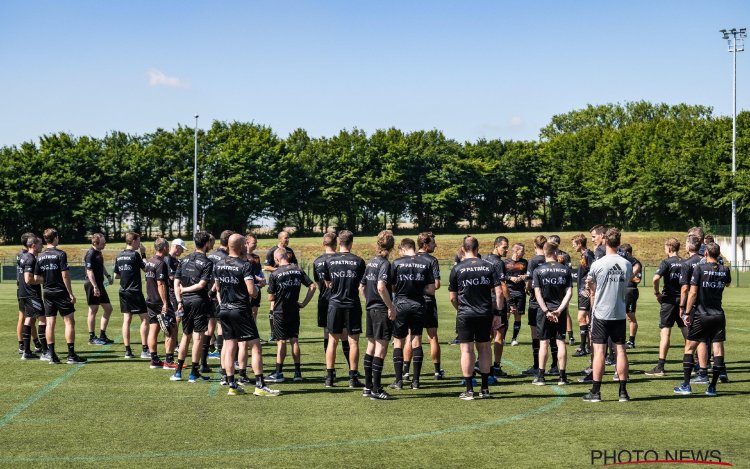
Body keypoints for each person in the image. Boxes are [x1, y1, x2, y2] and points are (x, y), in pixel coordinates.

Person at [214, 233, 279, 396]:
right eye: (244, 244)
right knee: (256, 346)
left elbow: (218, 288)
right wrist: (259, 286)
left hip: (225, 309)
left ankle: (232, 386)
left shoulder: (218, 264)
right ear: (241, 246)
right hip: (240, 309)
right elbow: (252, 292)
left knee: (229, 346)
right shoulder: (245, 265)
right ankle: (260, 385)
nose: (246, 246)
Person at [449, 236, 503, 400]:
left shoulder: (457, 268)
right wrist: (498, 313)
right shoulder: (489, 266)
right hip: (484, 313)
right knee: (485, 348)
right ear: (477, 248)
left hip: (465, 313)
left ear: (463, 249)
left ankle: (469, 390)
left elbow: (452, 297)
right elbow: (499, 292)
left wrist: (461, 309)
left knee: (466, 350)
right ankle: (485, 389)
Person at [583, 228, 632, 402]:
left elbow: (593, 288)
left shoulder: (598, 264)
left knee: (599, 351)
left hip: (601, 312)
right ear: (619, 242)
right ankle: (623, 392)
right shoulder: (627, 264)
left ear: (605, 242)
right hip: (619, 312)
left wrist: (592, 287)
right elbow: (624, 285)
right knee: (620, 350)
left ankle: (596, 392)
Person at [674, 243, 730, 397]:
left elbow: (692, 293)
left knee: (690, 348)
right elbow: (728, 282)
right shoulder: (725, 269)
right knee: (717, 350)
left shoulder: (699, 268)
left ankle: (686, 385)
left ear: (705, 253)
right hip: (718, 314)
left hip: (702, 314)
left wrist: (686, 312)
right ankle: (712, 387)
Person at [388, 238, 435, 390]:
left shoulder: (396, 263)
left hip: (401, 304)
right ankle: (416, 381)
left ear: (403, 248)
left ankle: (398, 381)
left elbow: (392, 287)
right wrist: (418, 288)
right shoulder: (425, 263)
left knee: (398, 342)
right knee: (416, 341)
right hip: (419, 304)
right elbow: (431, 290)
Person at [322, 230, 366, 388]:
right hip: (352, 304)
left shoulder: (329, 260)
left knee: (332, 341)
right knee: (353, 342)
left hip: (334, 303)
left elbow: (327, 283)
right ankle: (353, 378)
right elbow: (361, 284)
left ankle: (329, 377)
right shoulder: (359, 261)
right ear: (351, 243)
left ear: (338, 242)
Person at [266, 248, 316, 383]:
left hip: (280, 311)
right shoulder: (298, 270)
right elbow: (312, 286)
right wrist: (304, 303)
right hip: (294, 310)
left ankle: (279, 372)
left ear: (277, 259)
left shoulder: (275, 273)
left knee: (281, 341)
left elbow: (270, 297)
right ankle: (298, 373)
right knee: (294, 339)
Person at [35, 228, 85, 365]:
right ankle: (71, 355)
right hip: (61, 292)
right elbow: (65, 275)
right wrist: (70, 293)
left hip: (47, 292)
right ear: (55, 238)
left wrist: (47, 280)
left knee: (50, 323)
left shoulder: (40, 256)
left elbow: (36, 277)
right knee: (69, 322)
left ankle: (52, 356)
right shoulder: (61, 254)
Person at [171, 231, 214, 382]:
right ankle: (193, 372)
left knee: (185, 335)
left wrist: (180, 300)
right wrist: (185, 290)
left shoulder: (183, 260)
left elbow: (176, 282)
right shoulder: (207, 262)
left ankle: (177, 371)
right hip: (199, 301)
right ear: (207, 243)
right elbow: (202, 285)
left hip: (186, 302)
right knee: (198, 337)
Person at [359, 230, 396, 400]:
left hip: (370, 309)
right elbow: (381, 287)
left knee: (371, 347)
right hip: (381, 310)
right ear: (391, 246)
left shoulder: (371, 262)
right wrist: (390, 307)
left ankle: (367, 387)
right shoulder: (385, 263)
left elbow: (362, 287)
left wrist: (369, 301)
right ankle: (377, 389)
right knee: (381, 349)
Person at [532, 241, 573, 386]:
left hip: (544, 311)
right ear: (556, 252)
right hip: (559, 310)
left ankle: (541, 376)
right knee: (560, 341)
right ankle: (562, 377)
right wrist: (560, 310)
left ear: (544, 253)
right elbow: (569, 292)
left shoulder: (538, 270)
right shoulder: (564, 269)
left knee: (544, 342)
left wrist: (546, 311)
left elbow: (537, 293)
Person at [646, 238, 685, 376]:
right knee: (687, 332)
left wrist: (657, 293)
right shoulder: (685, 262)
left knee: (665, 333)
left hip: (668, 300)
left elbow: (655, 278)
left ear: (669, 247)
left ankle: (660, 367)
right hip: (683, 301)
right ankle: (695, 364)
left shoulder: (666, 262)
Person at [409, 232, 443, 380]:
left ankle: (405, 371)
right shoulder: (432, 260)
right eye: (432, 243)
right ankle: (436, 371)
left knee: (411, 336)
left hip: (412, 302)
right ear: (425, 245)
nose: (435, 245)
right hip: (428, 301)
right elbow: (436, 284)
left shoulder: (410, 259)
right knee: (432, 337)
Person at [313, 233, 351, 367]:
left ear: (323, 244)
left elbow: (318, 283)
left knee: (327, 334)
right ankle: (351, 368)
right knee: (345, 335)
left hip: (324, 299)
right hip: (341, 299)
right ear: (336, 243)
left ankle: (331, 369)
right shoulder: (340, 259)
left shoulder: (317, 261)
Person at [678, 234, 708, 384]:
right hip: (708, 304)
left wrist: (683, 308)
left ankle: (690, 378)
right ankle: (704, 370)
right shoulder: (704, 261)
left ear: (689, 246)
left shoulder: (687, 263)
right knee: (704, 340)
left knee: (692, 342)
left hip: (694, 306)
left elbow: (685, 289)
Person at [114, 231, 148, 360]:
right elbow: (146, 268)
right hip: (134, 291)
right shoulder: (135, 255)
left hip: (123, 290)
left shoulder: (120, 255)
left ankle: (127, 350)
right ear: (133, 241)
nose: (139, 243)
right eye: (138, 240)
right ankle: (145, 350)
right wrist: (143, 253)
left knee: (126, 320)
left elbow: (116, 275)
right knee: (145, 319)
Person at [264, 230, 298, 342]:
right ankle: (274, 333)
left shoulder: (290, 251)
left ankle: (288, 332)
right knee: (273, 305)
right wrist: (279, 270)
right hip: (276, 282)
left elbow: (295, 265)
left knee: (288, 305)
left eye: (288, 237)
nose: (287, 239)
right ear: (280, 238)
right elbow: (267, 267)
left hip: (289, 282)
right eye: (285, 238)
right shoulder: (273, 251)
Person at [483, 236, 510, 378]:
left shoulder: (485, 258)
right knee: (499, 334)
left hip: (485, 301)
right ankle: (496, 366)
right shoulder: (498, 262)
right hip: (497, 301)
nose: (507, 250)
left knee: (488, 334)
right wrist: (510, 302)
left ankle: (482, 363)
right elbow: (502, 285)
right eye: (504, 247)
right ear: (496, 246)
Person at [207, 230, 233, 376]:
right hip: (219, 295)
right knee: (221, 326)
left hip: (207, 294)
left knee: (210, 324)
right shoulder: (226, 258)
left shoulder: (211, 255)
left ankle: (207, 355)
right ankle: (223, 359)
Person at [144, 238, 171, 369]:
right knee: (170, 329)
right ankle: (169, 361)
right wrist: (165, 303)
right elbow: (160, 284)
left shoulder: (149, 262)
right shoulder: (161, 263)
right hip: (159, 301)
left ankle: (154, 359)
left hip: (150, 299)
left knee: (153, 330)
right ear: (164, 247)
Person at [84, 233, 115, 346]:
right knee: (93, 310)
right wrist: (95, 286)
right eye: (103, 242)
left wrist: (107, 276)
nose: (105, 244)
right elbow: (89, 271)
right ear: (96, 243)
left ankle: (102, 335)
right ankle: (92, 337)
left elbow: (101, 267)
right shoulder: (90, 253)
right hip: (92, 284)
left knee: (108, 308)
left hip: (99, 284)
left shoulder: (98, 252)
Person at [523, 235, 547, 376]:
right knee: (552, 337)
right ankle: (555, 366)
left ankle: (537, 365)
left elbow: (530, 282)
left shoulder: (533, 261)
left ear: (534, 245)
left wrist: (526, 288)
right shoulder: (549, 259)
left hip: (535, 302)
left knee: (536, 335)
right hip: (550, 300)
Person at [19, 236, 45, 360]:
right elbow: (28, 279)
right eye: (40, 244)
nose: (42, 246)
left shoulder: (24, 256)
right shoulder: (30, 259)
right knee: (43, 319)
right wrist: (46, 280)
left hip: (24, 293)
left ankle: (27, 351)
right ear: (34, 245)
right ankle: (46, 351)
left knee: (28, 319)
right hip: (31, 294)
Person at [548, 235, 575, 345]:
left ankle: (570, 335)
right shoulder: (548, 254)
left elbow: (568, 271)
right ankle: (551, 335)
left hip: (562, 287)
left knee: (565, 311)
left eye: (549, 241)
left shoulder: (564, 255)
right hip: (551, 287)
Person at [571, 234, 595, 358]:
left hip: (585, 292)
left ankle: (584, 347)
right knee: (585, 319)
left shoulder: (588, 255)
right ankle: (586, 346)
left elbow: (593, 270)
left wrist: (587, 284)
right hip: (581, 292)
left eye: (574, 244)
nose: (573, 246)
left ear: (580, 243)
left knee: (582, 318)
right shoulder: (584, 255)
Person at [504, 243, 528, 347]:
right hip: (508, 292)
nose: (524, 253)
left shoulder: (525, 262)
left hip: (520, 292)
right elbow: (501, 276)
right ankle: (503, 338)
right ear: (516, 251)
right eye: (522, 251)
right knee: (506, 316)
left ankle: (514, 338)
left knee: (517, 316)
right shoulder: (505, 262)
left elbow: (529, 275)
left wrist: (523, 277)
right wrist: (510, 278)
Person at [245, 234, 266, 323]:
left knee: (254, 312)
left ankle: (254, 335)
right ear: (247, 243)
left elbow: (259, 270)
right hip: (247, 288)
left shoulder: (256, 257)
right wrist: (258, 279)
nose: (256, 244)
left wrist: (263, 278)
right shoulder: (242, 257)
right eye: (254, 243)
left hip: (257, 287)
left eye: (256, 243)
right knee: (246, 312)